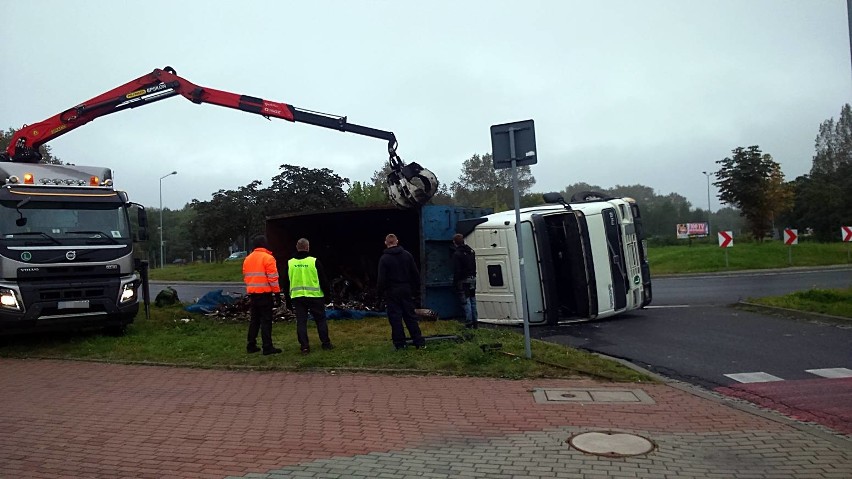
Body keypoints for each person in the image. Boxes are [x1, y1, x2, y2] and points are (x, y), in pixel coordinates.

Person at [376, 233, 426, 350]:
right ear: (397, 241)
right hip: (406, 289)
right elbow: (415, 274)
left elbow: (381, 279)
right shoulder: (407, 255)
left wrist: (379, 295)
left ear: (386, 243)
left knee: (395, 319)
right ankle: (419, 342)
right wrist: (416, 290)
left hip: (392, 292)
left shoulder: (384, 259)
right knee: (410, 317)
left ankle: (400, 344)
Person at [285, 238, 333, 355]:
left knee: (301, 322)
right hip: (315, 297)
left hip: (298, 297)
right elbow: (323, 281)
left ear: (297, 247)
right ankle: (325, 343)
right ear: (307, 247)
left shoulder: (290, 263)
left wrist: (288, 300)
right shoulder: (314, 261)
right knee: (320, 320)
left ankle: (304, 347)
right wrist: (328, 296)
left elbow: (285, 284)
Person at [242, 235, 283, 355]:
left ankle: (251, 345)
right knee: (266, 321)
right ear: (264, 244)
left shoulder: (248, 259)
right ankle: (267, 347)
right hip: (265, 294)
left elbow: (246, 276)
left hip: (253, 295)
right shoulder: (268, 258)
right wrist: (277, 293)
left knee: (254, 321)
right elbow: (273, 278)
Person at [452, 233, 478, 329]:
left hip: (463, 280)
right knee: (473, 299)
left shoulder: (457, 254)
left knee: (465, 301)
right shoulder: (471, 251)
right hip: (472, 278)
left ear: (455, 242)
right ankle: (475, 322)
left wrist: (455, 282)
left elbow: (457, 270)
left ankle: (469, 323)